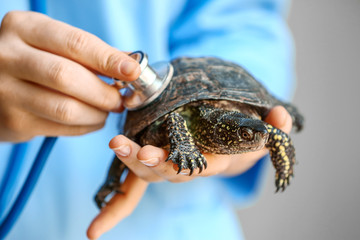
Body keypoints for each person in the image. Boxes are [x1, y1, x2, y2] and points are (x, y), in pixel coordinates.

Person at [0, 0, 295, 239]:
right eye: (246, 135)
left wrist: (260, 137)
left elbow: (243, 21)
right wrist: (185, 148)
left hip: (171, 220)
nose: (261, 136)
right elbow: (177, 119)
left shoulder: (253, 128)